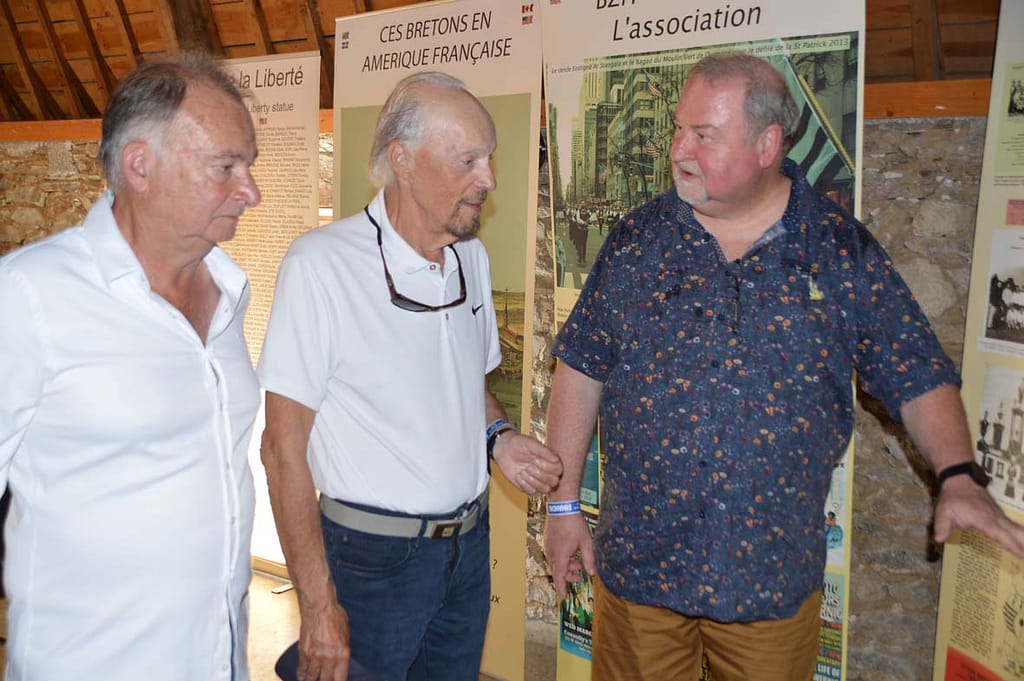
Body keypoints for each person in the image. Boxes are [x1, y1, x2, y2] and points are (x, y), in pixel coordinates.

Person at [542, 53, 1024, 681]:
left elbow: (915, 370)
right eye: (678, 130)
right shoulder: (639, 241)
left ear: (768, 143)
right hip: (641, 573)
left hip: (767, 584)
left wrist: (958, 473)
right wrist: (562, 507)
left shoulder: (836, 248)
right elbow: (582, 368)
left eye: (704, 135)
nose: (680, 149)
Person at [258, 71, 562, 681]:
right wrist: (317, 606)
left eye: (490, 158)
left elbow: (465, 384)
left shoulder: (470, 259)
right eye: (468, 160)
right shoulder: (321, 266)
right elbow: (281, 448)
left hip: (467, 552)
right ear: (402, 159)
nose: (489, 179)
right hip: (371, 562)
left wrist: (498, 439)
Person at [0, 53, 262, 680]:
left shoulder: (230, 292)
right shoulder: (30, 295)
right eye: (226, 167)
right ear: (140, 165)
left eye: (248, 167)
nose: (251, 191)